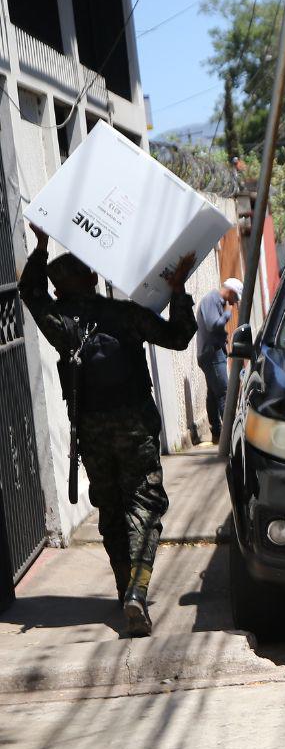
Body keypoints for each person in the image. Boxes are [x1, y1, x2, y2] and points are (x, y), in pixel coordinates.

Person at [18, 225, 197, 637]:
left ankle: (124, 594)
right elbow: (179, 337)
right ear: (94, 278)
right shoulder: (125, 315)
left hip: (93, 430)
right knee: (145, 506)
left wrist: (41, 246)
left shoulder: (61, 322)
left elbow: (29, 293)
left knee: (113, 510)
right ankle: (136, 592)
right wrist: (178, 289)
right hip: (135, 424)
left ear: (59, 290)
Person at [195, 277, 242, 442]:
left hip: (212, 352)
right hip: (212, 354)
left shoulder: (216, 301)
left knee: (214, 394)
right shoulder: (211, 299)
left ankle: (217, 432)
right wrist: (227, 314)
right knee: (224, 393)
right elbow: (212, 324)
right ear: (230, 291)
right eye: (235, 297)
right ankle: (231, 437)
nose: (234, 302)